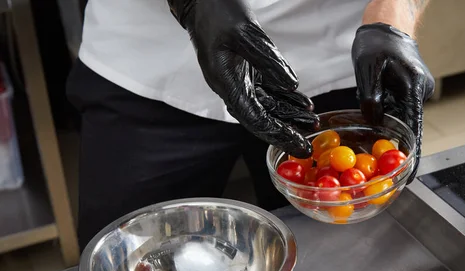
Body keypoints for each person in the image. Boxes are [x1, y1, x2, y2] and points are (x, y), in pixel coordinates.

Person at [67, 0, 434, 248]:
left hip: (340, 57)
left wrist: (394, 17)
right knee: (130, 262)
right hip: (149, 60)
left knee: (347, 262)